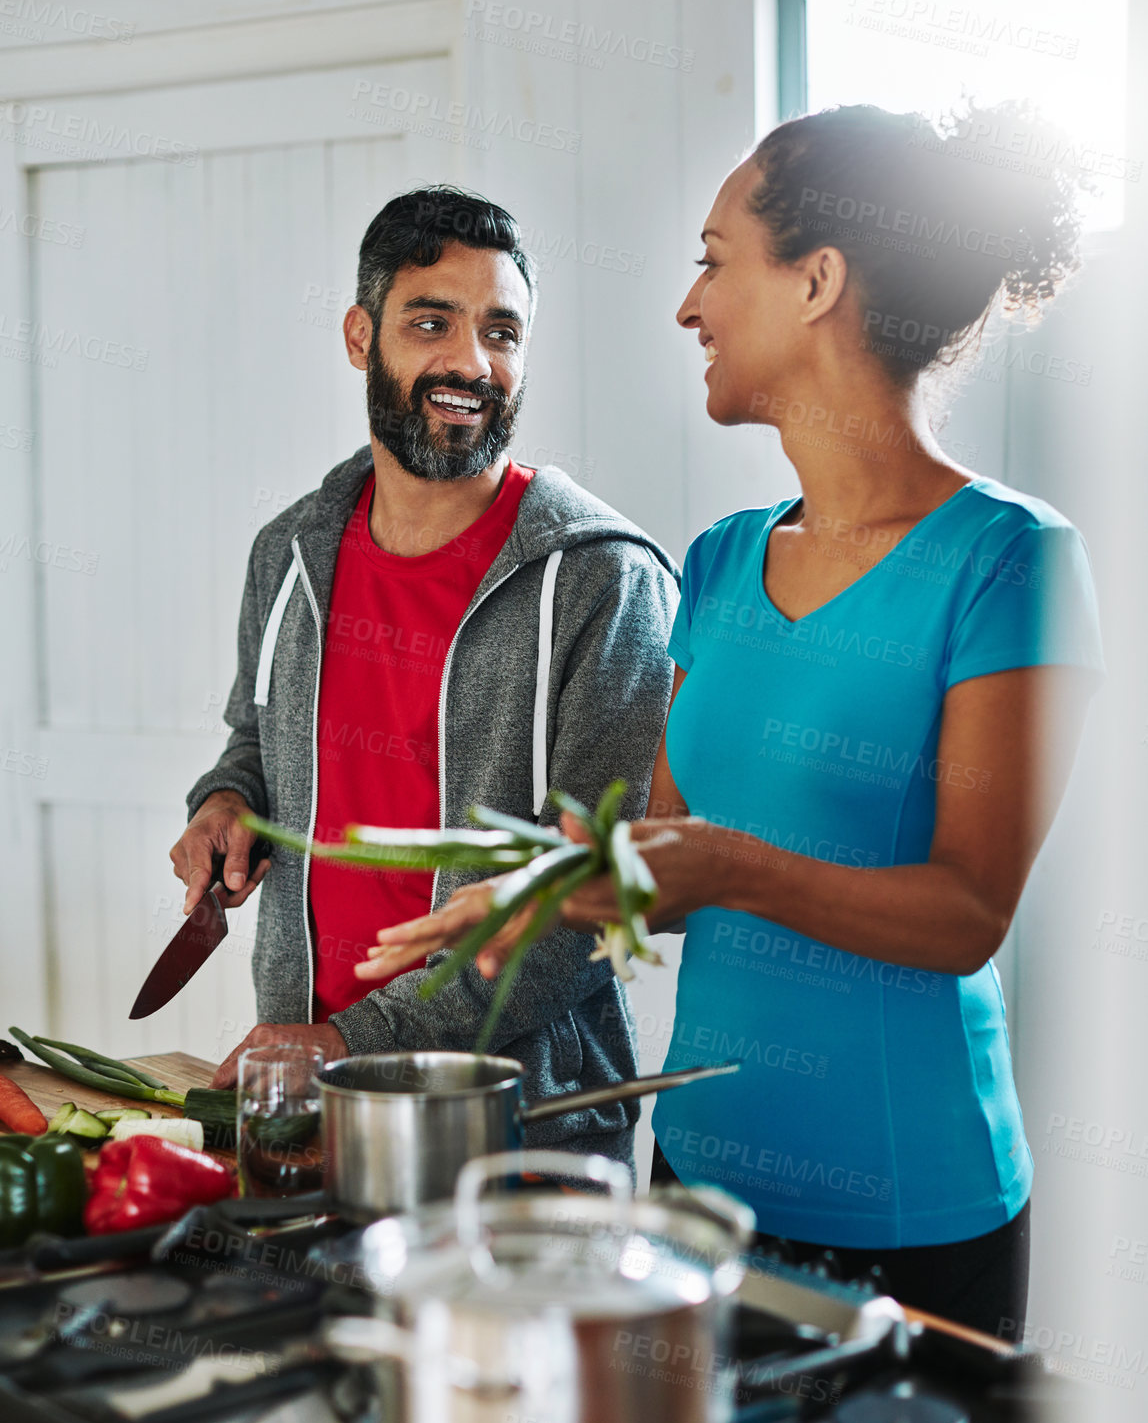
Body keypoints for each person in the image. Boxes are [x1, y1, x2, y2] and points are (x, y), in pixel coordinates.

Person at [355, 107, 1104, 1336]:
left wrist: (720, 864)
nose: (687, 306)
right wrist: (543, 887)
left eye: (713, 259)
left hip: (908, 1207)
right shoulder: (715, 563)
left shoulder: (1008, 559)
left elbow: (966, 913)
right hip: (695, 1177)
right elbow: (667, 853)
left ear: (815, 282)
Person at [170, 185, 678, 1173]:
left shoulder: (602, 580)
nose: (470, 364)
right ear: (361, 337)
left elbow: (590, 897)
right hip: (311, 1106)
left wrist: (351, 1044)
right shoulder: (289, 553)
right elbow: (255, 738)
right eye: (431, 322)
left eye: (501, 331)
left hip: (524, 1133)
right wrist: (226, 799)